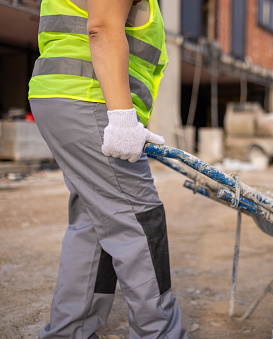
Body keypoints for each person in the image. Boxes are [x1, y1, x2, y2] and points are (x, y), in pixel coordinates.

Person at [28, 1, 187, 338]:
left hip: (69, 97)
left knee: (94, 223)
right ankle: (158, 333)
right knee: (139, 221)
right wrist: (123, 119)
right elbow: (101, 27)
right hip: (90, 100)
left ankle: (70, 330)